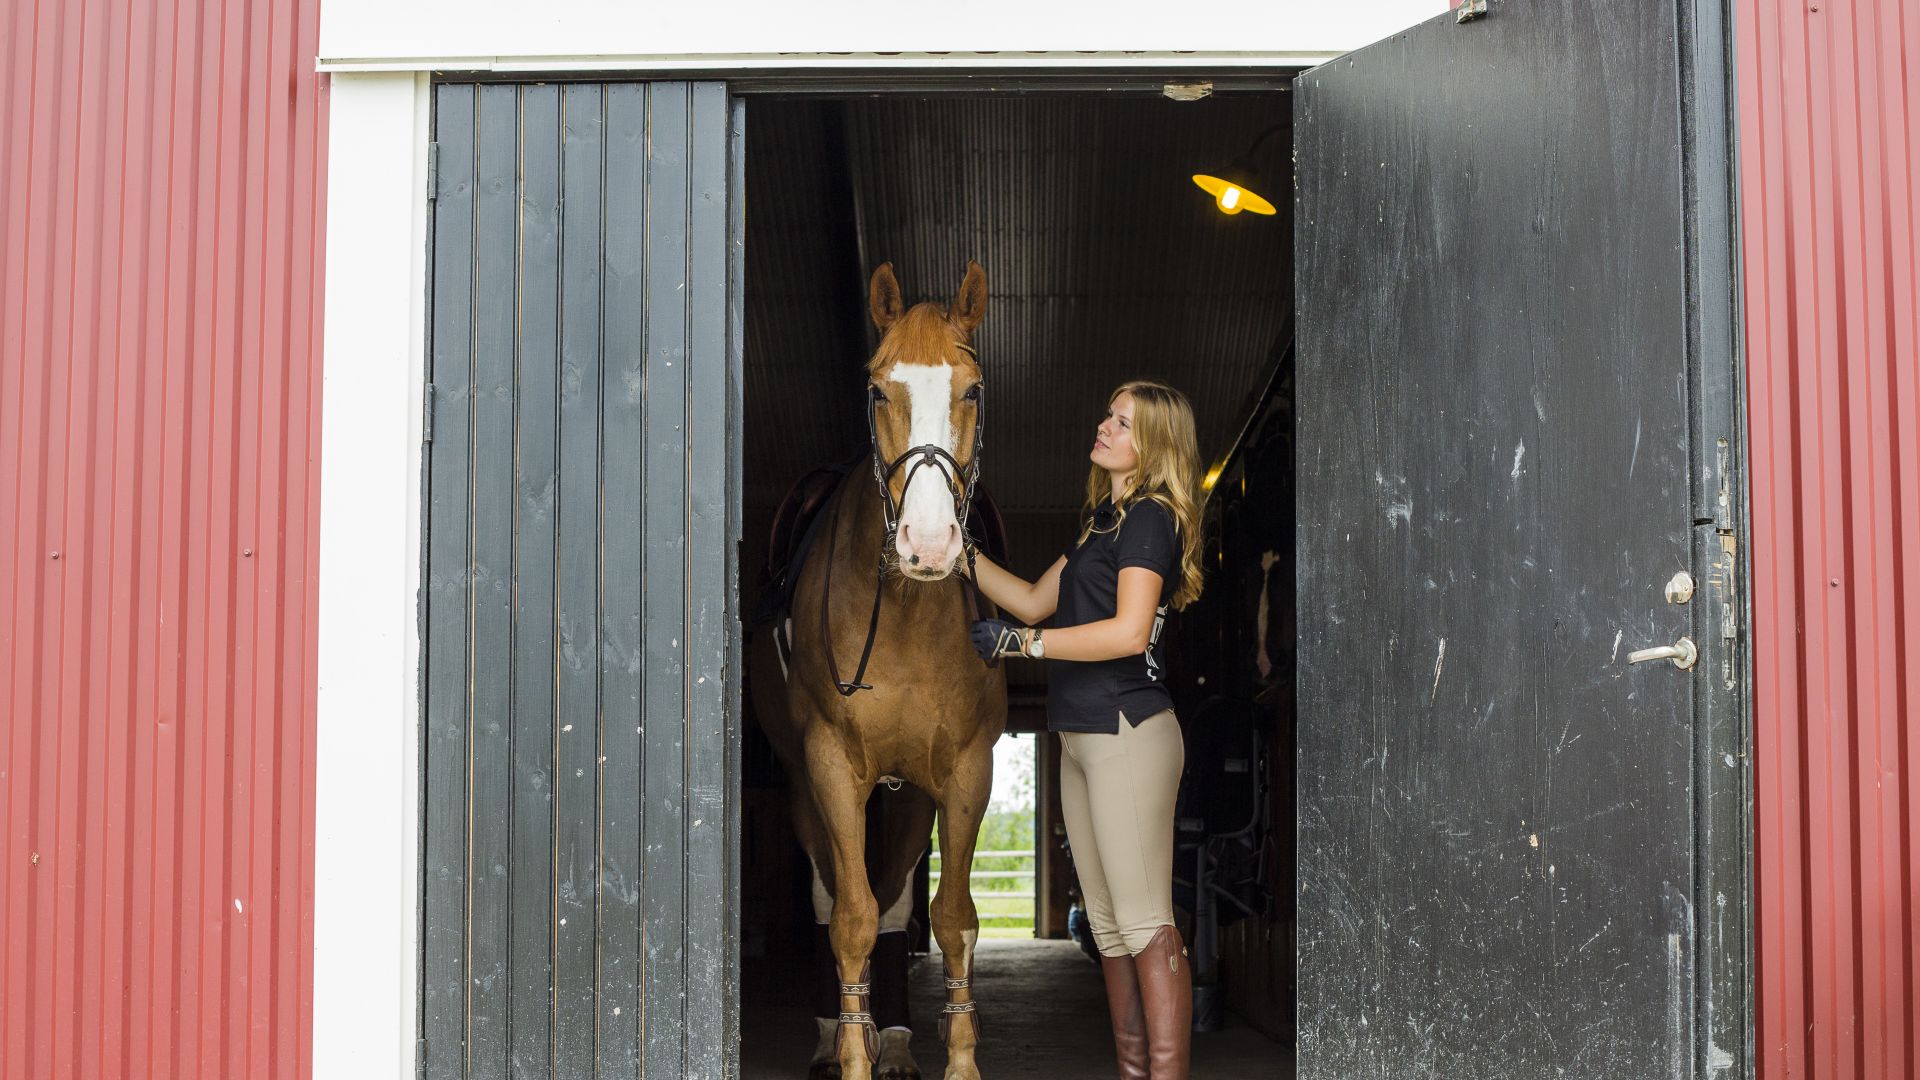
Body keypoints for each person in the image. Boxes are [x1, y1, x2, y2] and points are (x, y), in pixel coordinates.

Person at [965, 380, 1206, 1080]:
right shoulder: (1105, 520)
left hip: (1126, 731)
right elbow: (1036, 601)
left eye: (1121, 422)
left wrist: (1022, 648)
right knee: (1107, 929)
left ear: (1152, 446)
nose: (1103, 426)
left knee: (1143, 922)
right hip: (1081, 738)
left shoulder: (1151, 519)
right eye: (1107, 413)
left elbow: (1130, 632)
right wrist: (960, 554)